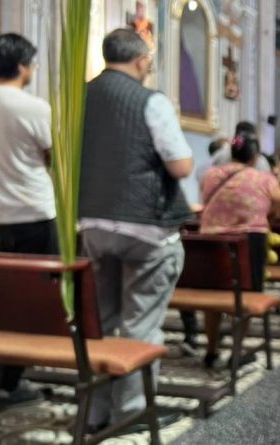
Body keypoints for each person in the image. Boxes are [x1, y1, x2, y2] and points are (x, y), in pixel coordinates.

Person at [79, 28, 194, 431]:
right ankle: (129, 414)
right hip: (145, 226)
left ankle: (94, 412)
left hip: (91, 223)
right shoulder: (151, 101)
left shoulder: (79, 97)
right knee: (140, 322)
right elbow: (180, 165)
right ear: (142, 60)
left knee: (101, 319)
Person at [0, 33, 54, 409]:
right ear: (23, 65)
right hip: (33, 213)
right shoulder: (34, 108)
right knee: (30, 301)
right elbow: (52, 157)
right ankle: (9, 383)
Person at [198, 132, 280, 367]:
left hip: (210, 245)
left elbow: (204, 198)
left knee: (213, 298)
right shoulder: (263, 178)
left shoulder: (211, 175)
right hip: (248, 244)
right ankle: (236, 351)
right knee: (247, 295)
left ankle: (211, 350)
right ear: (255, 156)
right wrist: (268, 214)